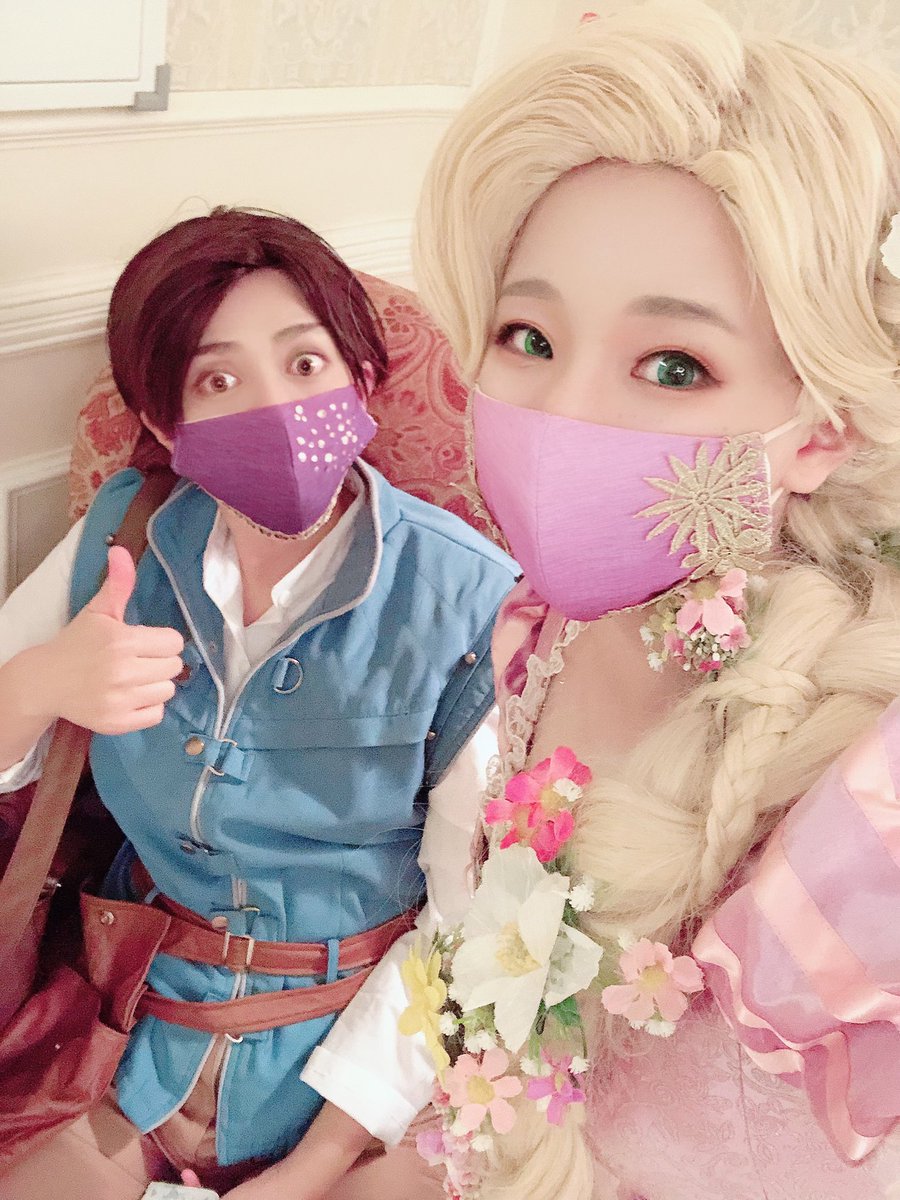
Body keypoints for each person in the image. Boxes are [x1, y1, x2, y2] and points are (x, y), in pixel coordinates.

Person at [411, 2, 900, 1197]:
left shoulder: (867, 796)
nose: (564, 412)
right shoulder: (541, 629)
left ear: (819, 431)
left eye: (673, 365)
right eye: (528, 335)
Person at [0, 208, 517, 1199]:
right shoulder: (124, 535)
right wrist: (41, 684)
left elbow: (470, 922)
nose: (275, 406)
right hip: (125, 1034)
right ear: (166, 424)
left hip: (356, 1069)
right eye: (218, 381)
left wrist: (317, 1166)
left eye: (305, 364)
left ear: (360, 379)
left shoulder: (470, 603)